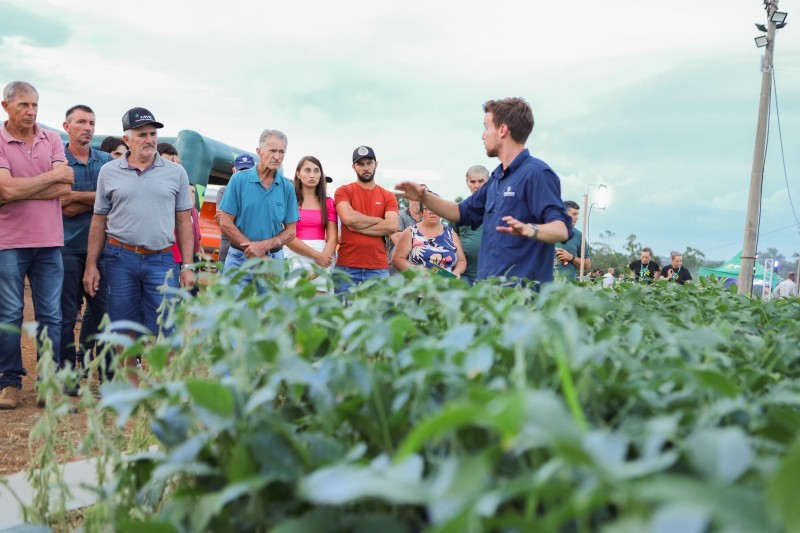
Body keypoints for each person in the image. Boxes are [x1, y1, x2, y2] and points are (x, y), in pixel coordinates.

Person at [395, 97, 571, 285]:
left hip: (522, 299)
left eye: (486, 127)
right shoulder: (496, 179)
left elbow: (561, 229)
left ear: (502, 130)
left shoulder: (536, 174)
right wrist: (424, 196)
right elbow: (460, 212)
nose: (482, 135)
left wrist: (530, 229)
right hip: (491, 294)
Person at [83, 107, 196, 386]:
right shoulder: (109, 172)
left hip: (161, 260)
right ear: (127, 138)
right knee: (124, 325)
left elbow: (183, 222)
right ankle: (131, 387)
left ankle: (166, 386)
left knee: (167, 325)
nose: (149, 139)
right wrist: (91, 265)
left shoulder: (176, 173)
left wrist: (188, 265)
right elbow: (99, 220)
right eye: (142, 134)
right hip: (119, 257)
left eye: (153, 134)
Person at [0, 81, 75, 410]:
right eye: (23, 106)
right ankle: (9, 383)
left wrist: (19, 187)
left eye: (35, 106)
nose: (30, 112)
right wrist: (49, 179)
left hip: (49, 242)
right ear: (5, 106)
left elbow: (66, 187)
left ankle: (48, 382)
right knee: (10, 315)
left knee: (51, 316)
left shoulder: (52, 138)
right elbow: (7, 192)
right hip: (9, 242)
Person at [59, 105, 113, 387]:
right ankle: (68, 379)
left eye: (92, 122)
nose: (88, 127)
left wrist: (77, 197)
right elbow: (62, 204)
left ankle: (106, 377)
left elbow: (112, 199)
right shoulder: (58, 159)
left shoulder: (105, 160)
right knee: (66, 317)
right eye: (81, 122)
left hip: (102, 251)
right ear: (67, 127)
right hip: (65, 249)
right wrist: (98, 200)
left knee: (105, 314)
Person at [218, 130, 298, 292]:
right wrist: (258, 254)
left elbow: (291, 232)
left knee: (271, 314)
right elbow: (226, 223)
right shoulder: (239, 180)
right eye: (272, 150)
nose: (277, 156)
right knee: (233, 313)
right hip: (239, 258)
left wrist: (264, 246)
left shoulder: (287, 187)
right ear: (259, 151)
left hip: (273, 260)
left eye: (281, 152)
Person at [334, 145, 399, 293]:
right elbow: (349, 219)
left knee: (378, 315)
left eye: (369, 163)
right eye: (361, 164)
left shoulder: (388, 196)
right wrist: (379, 220)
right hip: (346, 267)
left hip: (378, 268)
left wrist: (357, 225)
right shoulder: (343, 191)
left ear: (376, 164)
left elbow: (392, 225)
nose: (366, 167)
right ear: (353, 167)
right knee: (344, 315)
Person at [284, 156, 338, 292]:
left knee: (320, 307)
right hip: (294, 255)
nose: (312, 175)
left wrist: (323, 262)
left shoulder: (328, 202)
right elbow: (287, 236)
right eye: (307, 170)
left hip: (322, 257)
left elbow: (333, 237)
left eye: (316, 171)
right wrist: (317, 256)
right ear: (298, 174)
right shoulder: (289, 200)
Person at [392, 191, 466, 277]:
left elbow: (461, 261)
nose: (432, 211)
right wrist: (418, 271)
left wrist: (456, 273)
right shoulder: (410, 232)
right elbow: (397, 259)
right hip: (419, 284)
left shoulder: (451, 234)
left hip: (447, 285)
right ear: (421, 212)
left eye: (436, 208)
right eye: (427, 208)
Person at [215, 154, 255, 269]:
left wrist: (231, 217)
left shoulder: (260, 193)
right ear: (234, 170)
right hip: (227, 251)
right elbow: (223, 222)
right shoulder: (223, 191)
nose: (244, 175)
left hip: (255, 253)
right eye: (241, 171)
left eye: (247, 171)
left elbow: (227, 220)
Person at [454, 165, 488, 285]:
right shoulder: (459, 210)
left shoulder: (497, 207)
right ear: (467, 182)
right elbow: (453, 240)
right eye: (473, 181)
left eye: (481, 181)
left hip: (492, 276)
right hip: (465, 275)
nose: (477, 185)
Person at [386, 190, 423, 276]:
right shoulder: (399, 214)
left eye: (423, 196)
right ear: (409, 198)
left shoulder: (429, 218)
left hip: (420, 273)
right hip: (397, 272)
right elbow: (397, 238)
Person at [554, 200, 591, 281]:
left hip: (568, 288)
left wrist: (571, 257)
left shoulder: (579, 236)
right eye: (574, 214)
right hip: (546, 287)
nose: (577, 218)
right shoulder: (548, 231)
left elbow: (587, 265)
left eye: (577, 214)